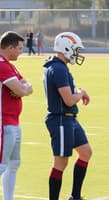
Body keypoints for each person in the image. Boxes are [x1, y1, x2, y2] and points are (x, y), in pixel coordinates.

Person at [43, 32, 92, 200]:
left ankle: (75, 196)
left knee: (85, 152)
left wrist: (78, 93)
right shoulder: (58, 68)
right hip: (62, 119)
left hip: (69, 118)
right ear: (67, 47)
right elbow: (69, 100)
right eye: (76, 49)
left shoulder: (59, 66)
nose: (77, 53)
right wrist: (81, 92)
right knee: (61, 162)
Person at [0, 31, 33, 200]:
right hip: (3, 122)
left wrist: (22, 89)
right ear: (10, 47)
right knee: (2, 165)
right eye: (19, 48)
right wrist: (22, 89)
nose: (21, 51)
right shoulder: (2, 65)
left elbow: (28, 86)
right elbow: (21, 89)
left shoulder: (9, 64)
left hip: (13, 121)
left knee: (13, 165)